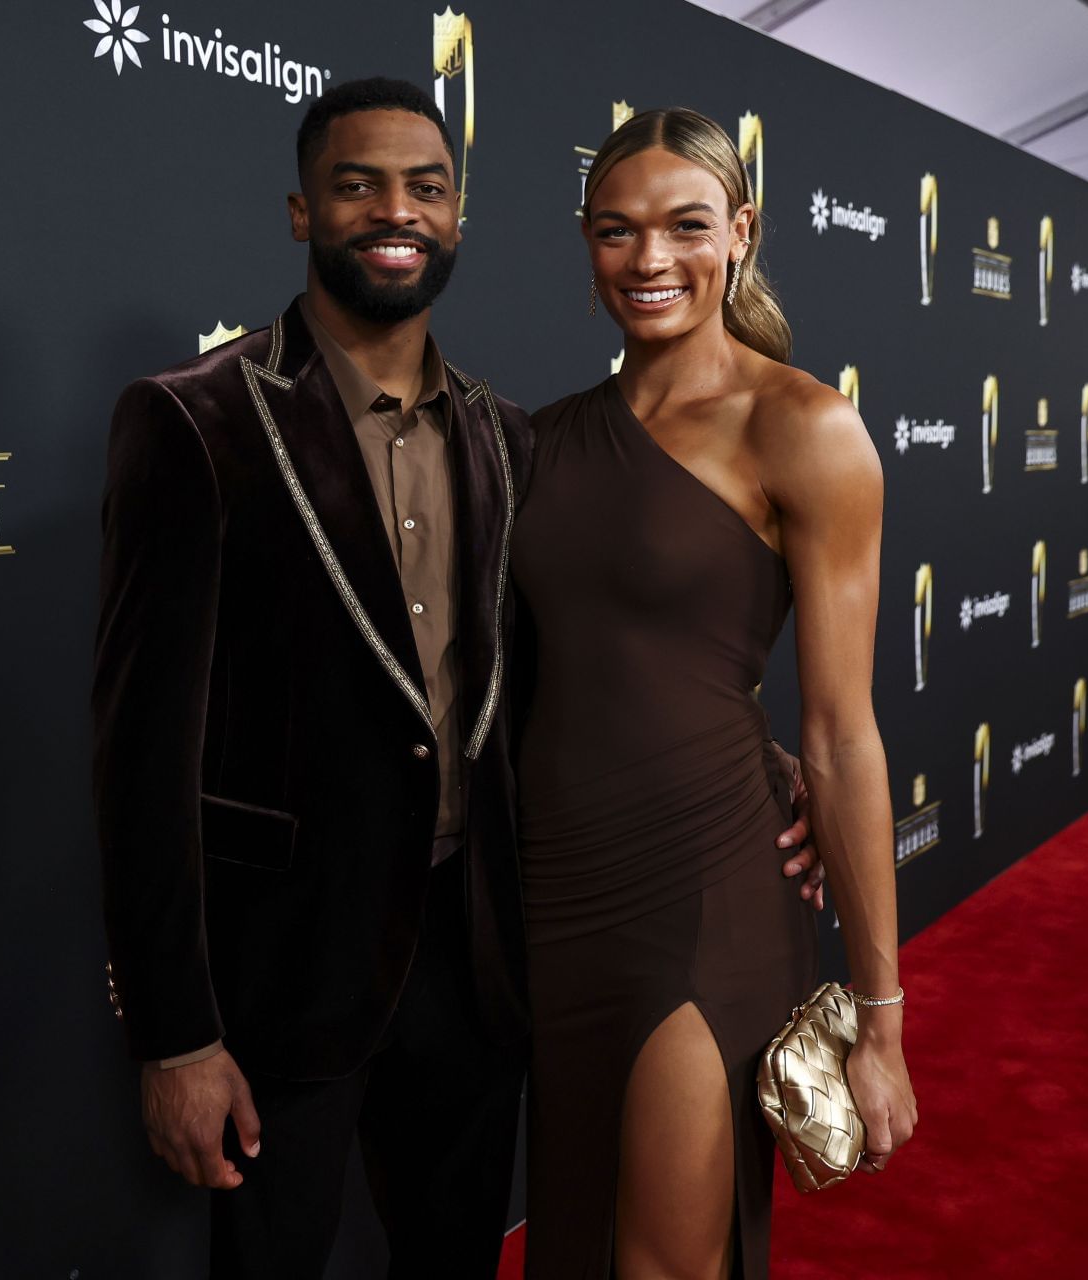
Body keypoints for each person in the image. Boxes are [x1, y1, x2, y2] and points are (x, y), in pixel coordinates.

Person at [91, 80, 820, 1279]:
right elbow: (138, 754)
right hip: (287, 978)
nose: (397, 210)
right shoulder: (194, 420)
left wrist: (760, 754)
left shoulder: (510, 437)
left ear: (459, 219)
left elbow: (571, 664)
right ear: (299, 211)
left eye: (426, 187)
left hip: (483, 969)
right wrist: (176, 1034)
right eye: (357, 183)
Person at [512, 107, 916, 1279]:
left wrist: (881, 1016)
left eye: (686, 226)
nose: (650, 261)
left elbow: (843, 733)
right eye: (615, 231)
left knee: (668, 1259)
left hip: (702, 880)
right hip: (552, 880)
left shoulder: (803, 425)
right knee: (573, 1234)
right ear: (584, 245)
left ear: (739, 232)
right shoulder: (537, 441)